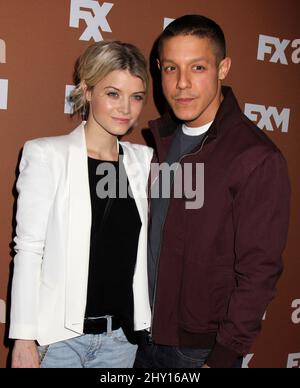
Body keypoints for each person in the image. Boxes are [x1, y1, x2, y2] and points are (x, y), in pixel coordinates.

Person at [134, 15, 290, 368]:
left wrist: (222, 357)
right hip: (141, 338)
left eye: (198, 67)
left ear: (223, 68)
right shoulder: (161, 141)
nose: (182, 84)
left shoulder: (255, 157)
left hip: (198, 352)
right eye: (171, 69)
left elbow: (259, 272)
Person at [9, 40, 153, 368]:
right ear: (87, 91)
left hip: (121, 342)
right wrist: (23, 337)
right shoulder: (47, 155)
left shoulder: (144, 163)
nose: (126, 109)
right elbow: (29, 250)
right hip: (59, 341)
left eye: (136, 97)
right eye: (113, 93)